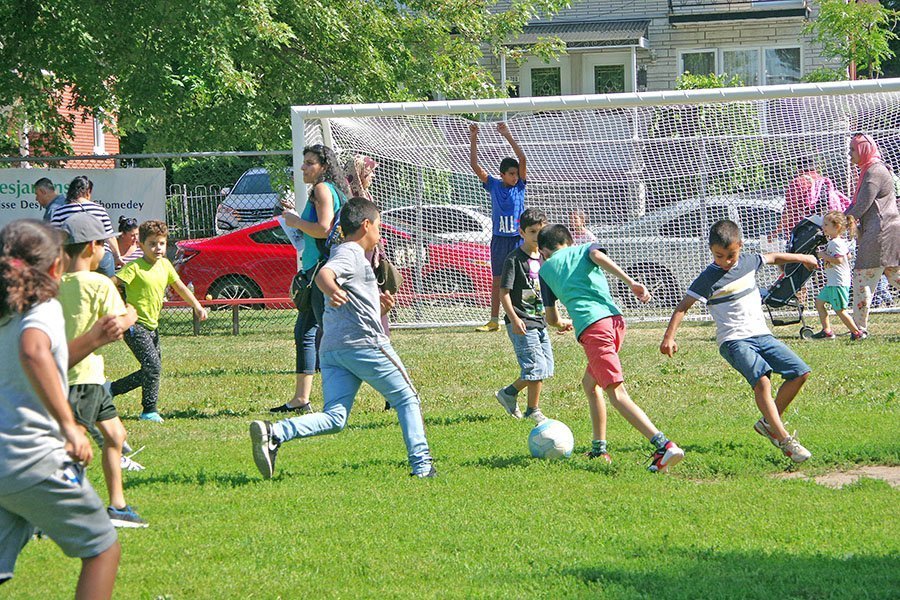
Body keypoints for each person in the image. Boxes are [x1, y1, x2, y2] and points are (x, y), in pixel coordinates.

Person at [250, 197, 436, 479]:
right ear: (365, 225)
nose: (380, 233)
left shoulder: (348, 253)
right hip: (365, 344)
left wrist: (378, 307)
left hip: (333, 350)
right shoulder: (349, 252)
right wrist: (330, 288)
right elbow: (326, 274)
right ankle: (423, 467)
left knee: (335, 417)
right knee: (407, 398)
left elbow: (349, 291)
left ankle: (274, 432)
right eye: (379, 227)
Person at [0, 220, 120, 598]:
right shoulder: (43, 306)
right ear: (55, 268)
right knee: (103, 549)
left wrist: (94, 339)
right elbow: (34, 352)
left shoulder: (6, 315)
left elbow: (43, 364)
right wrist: (69, 425)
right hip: (31, 459)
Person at [660, 219, 816, 464]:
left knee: (800, 372)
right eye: (718, 256)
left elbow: (773, 257)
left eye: (730, 255)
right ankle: (785, 440)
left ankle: (768, 423)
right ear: (711, 251)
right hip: (733, 340)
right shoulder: (708, 277)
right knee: (762, 382)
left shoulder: (749, 262)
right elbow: (682, 307)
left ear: (740, 247)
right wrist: (669, 337)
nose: (725, 261)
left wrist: (803, 258)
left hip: (761, 335)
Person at [538, 224, 684, 471]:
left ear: (543, 251)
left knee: (616, 393)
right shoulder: (584, 248)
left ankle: (664, 446)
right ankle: (599, 450)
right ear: (569, 241)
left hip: (594, 330)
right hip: (615, 322)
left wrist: (562, 322)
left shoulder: (545, 270)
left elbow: (552, 319)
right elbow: (597, 256)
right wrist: (631, 282)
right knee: (589, 384)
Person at [57, 214, 146, 527]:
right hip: (84, 379)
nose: (106, 253)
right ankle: (55, 510)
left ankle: (117, 506)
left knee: (115, 435)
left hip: (72, 375)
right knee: (72, 449)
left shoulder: (55, 285)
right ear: (90, 248)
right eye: (103, 248)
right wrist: (132, 315)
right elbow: (117, 325)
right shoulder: (99, 283)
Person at [271, 145, 349, 415]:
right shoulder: (330, 190)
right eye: (303, 162)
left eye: (309, 163)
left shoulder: (322, 189)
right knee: (306, 332)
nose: (303, 167)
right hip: (319, 270)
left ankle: (385, 391)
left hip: (321, 272)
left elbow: (324, 228)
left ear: (324, 167)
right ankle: (300, 398)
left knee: (331, 336)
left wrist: (294, 221)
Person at [110, 220, 208, 422]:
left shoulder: (165, 265)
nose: (158, 248)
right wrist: (118, 307)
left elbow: (180, 287)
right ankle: (149, 411)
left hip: (152, 326)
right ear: (141, 245)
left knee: (152, 369)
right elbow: (112, 284)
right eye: (152, 244)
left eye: (161, 243)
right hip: (135, 325)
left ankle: (110, 389)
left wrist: (197, 306)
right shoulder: (134, 268)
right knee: (153, 367)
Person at [495, 208, 558, 424]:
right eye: (532, 232)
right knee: (536, 367)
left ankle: (509, 393)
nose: (537, 237)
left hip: (539, 320)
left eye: (541, 232)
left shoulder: (545, 258)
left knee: (545, 367)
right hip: (522, 321)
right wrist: (514, 318)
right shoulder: (514, 259)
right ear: (521, 232)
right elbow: (503, 293)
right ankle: (533, 410)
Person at [469, 122, 527, 332]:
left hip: (517, 239)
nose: (515, 176)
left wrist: (507, 135)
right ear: (502, 174)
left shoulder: (520, 187)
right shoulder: (493, 185)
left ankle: (526, 314)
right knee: (497, 281)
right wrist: (474, 137)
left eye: (516, 173)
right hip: (499, 240)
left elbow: (522, 159)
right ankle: (494, 320)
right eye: (511, 174)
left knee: (524, 278)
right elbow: (475, 165)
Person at [845, 133, 900, 335]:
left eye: (853, 149)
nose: (849, 153)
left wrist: (837, 221)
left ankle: (858, 329)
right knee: (893, 274)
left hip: (880, 233)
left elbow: (861, 206)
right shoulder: (869, 170)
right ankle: (859, 328)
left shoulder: (874, 172)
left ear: (864, 150)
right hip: (884, 230)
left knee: (862, 278)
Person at [49, 176, 122, 276]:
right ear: (88, 192)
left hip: (74, 259)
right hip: (101, 256)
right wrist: (117, 256)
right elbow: (110, 236)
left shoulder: (60, 211)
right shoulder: (99, 209)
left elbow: (55, 239)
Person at [812, 211, 863, 340]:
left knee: (839, 310)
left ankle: (857, 333)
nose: (823, 227)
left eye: (826, 224)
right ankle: (827, 331)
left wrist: (823, 256)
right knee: (819, 303)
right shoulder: (836, 242)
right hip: (832, 283)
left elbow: (839, 260)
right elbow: (849, 256)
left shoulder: (836, 243)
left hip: (838, 283)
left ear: (837, 227)